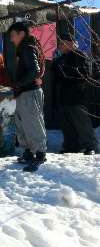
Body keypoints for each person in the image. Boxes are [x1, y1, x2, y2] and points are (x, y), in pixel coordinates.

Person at [8, 21, 48, 172]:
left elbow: (34, 70)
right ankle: (28, 153)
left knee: (32, 123)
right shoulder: (25, 48)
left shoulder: (28, 47)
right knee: (22, 123)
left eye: (13, 35)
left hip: (30, 92)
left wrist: (19, 84)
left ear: (22, 34)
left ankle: (39, 154)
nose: (12, 39)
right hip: (24, 92)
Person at [52, 33, 99, 155]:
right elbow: (56, 75)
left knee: (82, 122)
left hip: (77, 95)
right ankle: (71, 146)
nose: (60, 46)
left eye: (62, 43)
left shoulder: (80, 56)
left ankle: (90, 145)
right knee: (67, 124)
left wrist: (65, 71)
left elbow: (84, 74)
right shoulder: (60, 58)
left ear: (71, 43)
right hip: (63, 96)